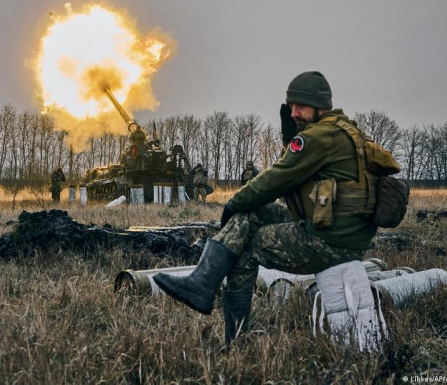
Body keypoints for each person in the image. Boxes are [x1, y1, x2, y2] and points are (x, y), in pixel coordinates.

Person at [154, 71, 389, 347]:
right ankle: (202, 283)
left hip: (330, 242)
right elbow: (295, 173)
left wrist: (233, 202)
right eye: (291, 106)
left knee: (247, 248)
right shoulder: (344, 130)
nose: (294, 112)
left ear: (320, 105)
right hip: (342, 232)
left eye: (300, 105)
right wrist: (289, 142)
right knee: (251, 215)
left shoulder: (317, 136)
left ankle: (234, 340)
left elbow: (278, 178)